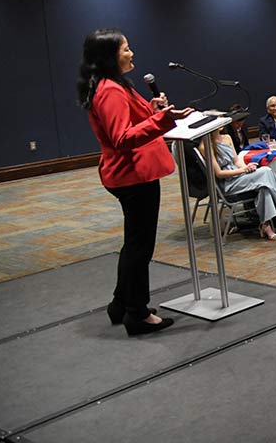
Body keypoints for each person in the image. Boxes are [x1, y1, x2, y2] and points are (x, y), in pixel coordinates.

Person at [79, 29, 192, 335]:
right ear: (110, 56)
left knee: (135, 243)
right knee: (140, 247)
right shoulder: (110, 90)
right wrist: (160, 120)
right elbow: (122, 138)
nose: (132, 53)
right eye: (126, 49)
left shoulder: (114, 85)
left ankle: (120, 305)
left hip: (131, 174)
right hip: (132, 175)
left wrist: (156, 112)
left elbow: (131, 123)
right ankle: (137, 314)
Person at [211, 123, 276, 241]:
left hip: (240, 175)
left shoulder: (227, 138)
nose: (220, 124)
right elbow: (218, 173)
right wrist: (242, 170)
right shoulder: (206, 145)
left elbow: (236, 160)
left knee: (264, 187)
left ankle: (266, 225)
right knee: (266, 171)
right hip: (229, 183)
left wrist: (247, 167)